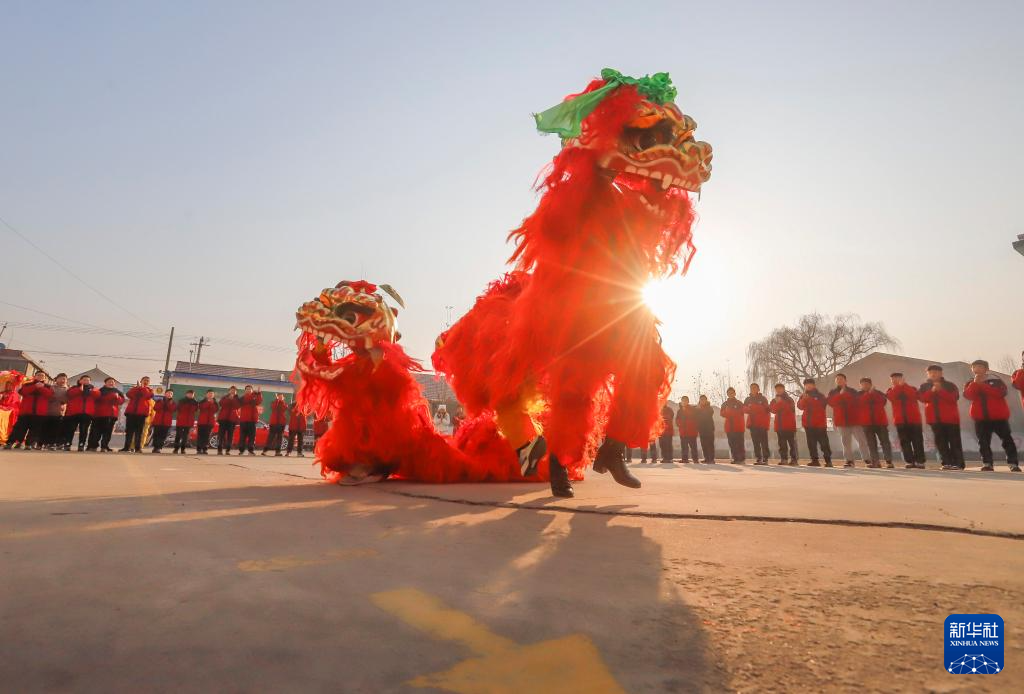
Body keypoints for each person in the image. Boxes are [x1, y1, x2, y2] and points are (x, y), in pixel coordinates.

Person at [964, 359, 1020, 472]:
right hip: (981, 418)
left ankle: (1013, 463)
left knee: (1007, 440)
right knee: (983, 441)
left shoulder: (996, 381)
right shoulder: (970, 383)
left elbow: (1001, 393)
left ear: (986, 369)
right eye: (974, 367)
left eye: (980, 367)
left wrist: (982, 385)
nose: (977, 369)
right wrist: (975, 384)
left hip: (998, 416)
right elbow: (968, 396)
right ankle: (987, 463)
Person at [918, 365, 964, 470]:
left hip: (951, 419)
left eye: (936, 372)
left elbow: (954, 398)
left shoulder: (950, 385)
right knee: (940, 442)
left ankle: (958, 463)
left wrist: (941, 391)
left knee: (954, 442)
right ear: (928, 374)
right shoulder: (924, 386)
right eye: (930, 372)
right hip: (934, 419)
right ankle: (946, 462)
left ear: (941, 373)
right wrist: (932, 391)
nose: (933, 374)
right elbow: (922, 398)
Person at [828, 374, 869, 468]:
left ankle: (867, 459)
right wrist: (840, 395)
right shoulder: (833, 392)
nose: (839, 381)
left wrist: (844, 395)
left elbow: (857, 402)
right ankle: (849, 460)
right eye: (837, 379)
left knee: (861, 440)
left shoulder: (852, 391)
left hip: (854, 420)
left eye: (841, 379)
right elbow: (831, 402)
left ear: (845, 381)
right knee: (846, 442)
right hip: (841, 421)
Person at [887, 372, 925, 469]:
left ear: (903, 379)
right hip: (900, 420)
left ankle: (919, 461)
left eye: (897, 378)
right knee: (904, 442)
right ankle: (909, 461)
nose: (895, 380)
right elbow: (891, 397)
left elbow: (914, 396)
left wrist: (904, 386)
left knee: (917, 441)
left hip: (914, 419)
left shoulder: (912, 388)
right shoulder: (890, 390)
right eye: (893, 379)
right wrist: (899, 387)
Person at [4, 372, 52, 450]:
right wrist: (35, 386)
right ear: (34, 376)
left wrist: (41, 388)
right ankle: (11, 442)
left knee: (35, 430)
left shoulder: (48, 387)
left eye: (42, 376)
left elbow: (50, 395)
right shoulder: (27, 384)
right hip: (25, 411)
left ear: (45, 378)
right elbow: (23, 392)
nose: (40, 377)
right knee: (19, 428)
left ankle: (29, 444)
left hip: (39, 413)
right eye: (38, 375)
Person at [858, 377, 893, 468]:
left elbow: (883, 402)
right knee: (871, 443)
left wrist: (872, 393)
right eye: (863, 384)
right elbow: (860, 403)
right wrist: (869, 394)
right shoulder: (858, 394)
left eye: (867, 384)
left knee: (885, 442)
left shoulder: (879, 393)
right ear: (860, 386)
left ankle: (889, 461)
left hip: (880, 422)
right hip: (867, 423)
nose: (865, 386)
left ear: (870, 384)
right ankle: (875, 462)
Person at [798, 378, 832, 467]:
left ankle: (828, 461)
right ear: (804, 386)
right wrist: (804, 399)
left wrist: (809, 399)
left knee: (824, 443)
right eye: (806, 384)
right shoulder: (803, 396)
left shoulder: (820, 395)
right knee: (811, 443)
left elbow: (822, 405)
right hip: (808, 424)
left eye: (810, 384)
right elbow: (800, 407)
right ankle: (814, 461)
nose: (808, 386)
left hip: (820, 424)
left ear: (814, 385)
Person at [87, 378, 124, 452]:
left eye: (112, 382)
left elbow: (121, 401)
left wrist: (117, 397)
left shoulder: (118, 392)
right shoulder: (100, 391)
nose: (111, 383)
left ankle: (104, 446)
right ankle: (93, 446)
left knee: (108, 432)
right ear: (105, 383)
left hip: (112, 415)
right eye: (109, 382)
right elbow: (95, 398)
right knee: (96, 432)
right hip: (99, 415)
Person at [63, 375, 98, 451]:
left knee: (84, 430)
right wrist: (79, 389)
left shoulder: (93, 389)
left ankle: (81, 444)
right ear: (80, 380)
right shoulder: (74, 388)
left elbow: (98, 395)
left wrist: (91, 391)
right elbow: (69, 394)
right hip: (73, 413)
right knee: (71, 429)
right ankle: (67, 443)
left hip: (87, 413)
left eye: (88, 380)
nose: (86, 381)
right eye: (84, 380)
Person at [121, 377, 154, 453]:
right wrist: (137, 388)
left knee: (139, 432)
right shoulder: (135, 389)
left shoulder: (149, 390)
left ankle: (138, 448)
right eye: (144, 380)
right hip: (131, 413)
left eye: (147, 381)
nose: (145, 382)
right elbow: (128, 394)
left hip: (141, 414)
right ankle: (126, 447)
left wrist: (142, 388)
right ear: (140, 381)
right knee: (129, 432)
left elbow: (148, 396)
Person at [769, 383, 798, 465]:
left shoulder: (789, 399)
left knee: (792, 444)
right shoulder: (774, 400)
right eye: (777, 389)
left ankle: (794, 459)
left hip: (789, 425)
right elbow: (772, 410)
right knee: (782, 444)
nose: (778, 390)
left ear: (784, 389)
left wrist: (780, 403)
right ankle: (784, 459)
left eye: (780, 388)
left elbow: (790, 409)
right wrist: (778, 403)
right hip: (779, 425)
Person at [743, 384, 771, 464]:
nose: (753, 389)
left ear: (758, 389)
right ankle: (758, 458)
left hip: (762, 423)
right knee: (755, 442)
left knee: (764, 442)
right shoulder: (747, 399)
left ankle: (765, 458)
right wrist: (750, 408)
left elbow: (766, 409)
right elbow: (744, 409)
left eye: (755, 388)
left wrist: (753, 407)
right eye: (751, 388)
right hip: (752, 423)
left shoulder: (763, 398)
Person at [720, 387, 746, 463]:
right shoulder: (725, 404)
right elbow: (722, 413)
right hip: (729, 427)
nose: (730, 394)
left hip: (738, 427)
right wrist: (729, 412)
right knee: (732, 444)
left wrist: (730, 412)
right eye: (729, 393)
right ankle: (735, 459)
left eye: (732, 393)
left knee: (740, 444)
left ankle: (742, 459)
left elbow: (741, 412)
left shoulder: (739, 403)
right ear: (727, 394)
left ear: (735, 393)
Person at [43, 373, 69, 450]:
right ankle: (44, 443)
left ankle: (52, 444)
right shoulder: (51, 387)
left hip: (60, 412)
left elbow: (67, 400)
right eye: (61, 378)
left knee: (56, 429)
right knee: (46, 428)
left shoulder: (68, 389)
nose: (62, 380)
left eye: (64, 379)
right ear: (56, 379)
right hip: (48, 411)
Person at [237, 385, 263, 455]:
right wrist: (255, 394)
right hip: (243, 420)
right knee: (242, 436)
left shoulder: (255, 396)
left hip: (252, 420)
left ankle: (250, 450)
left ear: (252, 390)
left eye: (250, 389)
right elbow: (247, 399)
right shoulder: (242, 398)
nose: (248, 390)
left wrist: (259, 393)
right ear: (245, 390)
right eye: (247, 389)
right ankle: (241, 450)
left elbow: (259, 401)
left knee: (252, 436)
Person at [173, 390, 199, 454]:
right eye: (189, 394)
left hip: (189, 422)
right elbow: (178, 409)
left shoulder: (195, 402)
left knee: (185, 437)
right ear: (186, 394)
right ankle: (176, 449)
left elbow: (196, 410)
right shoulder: (181, 401)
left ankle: (183, 449)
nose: (190, 395)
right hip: (180, 421)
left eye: (192, 394)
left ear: (193, 395)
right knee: (178, 435)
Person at [675, 396, 700, 463]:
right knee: (684, 447)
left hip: (692, 431)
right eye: (683, 401)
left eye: (686, 400)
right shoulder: (679, 411)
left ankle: (695, 459)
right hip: (683, 432)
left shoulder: (693, 410)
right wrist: (679, 424)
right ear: (681, 402)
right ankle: (684, 459)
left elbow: (697, 420)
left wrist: (695, 428)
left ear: (688, 401)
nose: (684, 402)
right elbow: (677, 420)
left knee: (693, 446)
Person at [217, 386, 240, 455]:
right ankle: (219, 450)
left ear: (236, 392)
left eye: (234, 390)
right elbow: (221, 404)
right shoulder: (224, 397)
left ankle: (228, 450)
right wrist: (228, 399)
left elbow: (237, 406)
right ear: (229, 391)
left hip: (232, 419)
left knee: (230, 435)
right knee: (221, 435)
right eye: (231, 390)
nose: (233, 391)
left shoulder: (237, 399)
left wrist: (232, 399)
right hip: (223, 419)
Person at [195, 390, 218, 455]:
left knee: (207, 436)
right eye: (209, 393)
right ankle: (199, 449)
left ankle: (204, 449)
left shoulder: (215, 403)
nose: (210, 395)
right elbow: (202, 407)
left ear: (213, 395)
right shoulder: (202, 401)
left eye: (212, 394)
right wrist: (208, 402)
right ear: (206, 394)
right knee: (200, 436)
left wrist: (212, 403)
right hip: (202, 422)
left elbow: (215, 410)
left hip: (210, 422)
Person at [695, 394, 716, 463]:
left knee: (710, 444)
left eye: (704, 400)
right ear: (699, 401)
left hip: (709, 429)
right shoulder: (697, 408)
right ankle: (706, 458)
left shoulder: (709, 408)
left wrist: (699, 410)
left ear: (706, 400)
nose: (702, 401)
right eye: (701, 400)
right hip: (701, 429)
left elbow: (707, 415)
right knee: (703, 444)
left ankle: (711, 459)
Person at [0, 378, 21, 445]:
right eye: (7, 385)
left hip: (9, 410)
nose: (8, 386)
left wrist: (3, 407)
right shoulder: (2, 393)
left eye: (11, 385)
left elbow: (13, 405)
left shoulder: (14, 395)